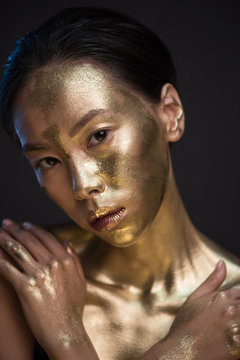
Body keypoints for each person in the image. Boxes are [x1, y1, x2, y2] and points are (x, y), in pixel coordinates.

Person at [1, 6, 240, 360]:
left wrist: (67, 341)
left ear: (170, 115)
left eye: (98, 136)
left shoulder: (232, 315)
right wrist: (181, 350)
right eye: (48, 161)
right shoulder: (25, 280)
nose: (82, 185)